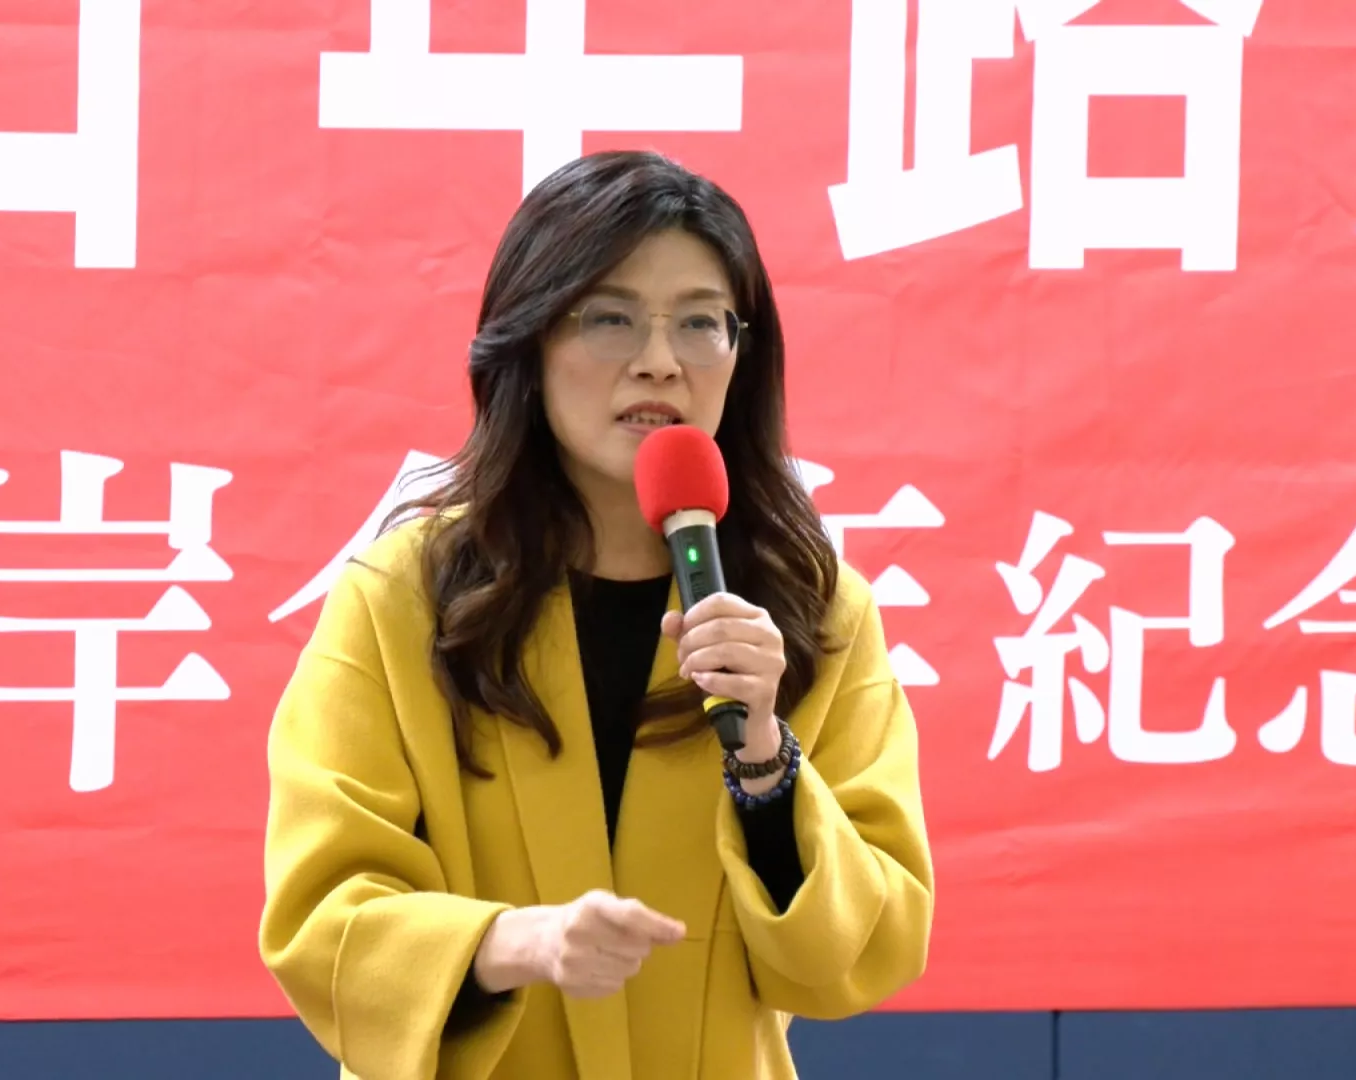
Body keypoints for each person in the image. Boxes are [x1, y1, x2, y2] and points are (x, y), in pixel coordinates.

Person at [258, 150, 933, 1080]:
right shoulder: (405, 597)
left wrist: (767, 760)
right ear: (530, 340)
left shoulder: (812, 612)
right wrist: (513, 942)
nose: (659, 361)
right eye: (611, 318)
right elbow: (320, 916)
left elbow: (865, 946)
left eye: (700, 322)